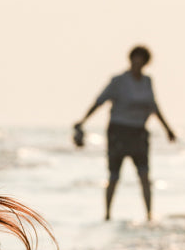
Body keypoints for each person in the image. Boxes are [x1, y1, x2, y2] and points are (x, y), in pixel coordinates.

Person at [75, 45, 177, 222]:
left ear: (145, 62)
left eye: (141, 59)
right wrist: (83, 121)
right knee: (114, 176)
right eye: (135, 58)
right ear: (130, 60)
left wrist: (167, 129)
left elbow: (154, 107)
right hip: (118, 132)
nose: (137, 62)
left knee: (144, 175)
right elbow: (99, 101)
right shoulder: (118, 81)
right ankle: (107, 215)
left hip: (139, 133)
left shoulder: (147, 82)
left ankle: (149, 215)